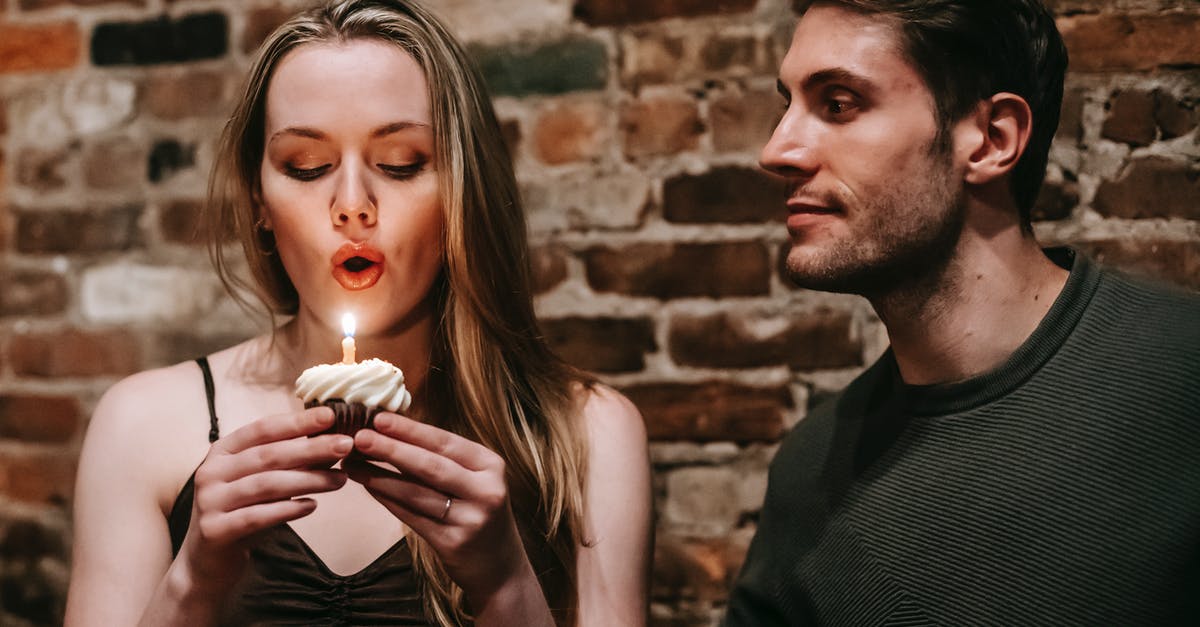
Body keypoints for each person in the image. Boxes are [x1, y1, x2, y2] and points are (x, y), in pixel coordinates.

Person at [64, 1, 652, 625]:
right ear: (260, 199)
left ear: (462, 188)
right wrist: (193, 583)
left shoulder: (586, 436)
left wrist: (506, 585)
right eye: (307, 167)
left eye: (401, 164)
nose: (352, 205)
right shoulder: (143, 425)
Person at [723, 0, 1200, 625]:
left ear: (991, 140)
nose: (777, 150)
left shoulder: (1182, 372)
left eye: (838, 103)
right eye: (785, 104)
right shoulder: (811, 472)